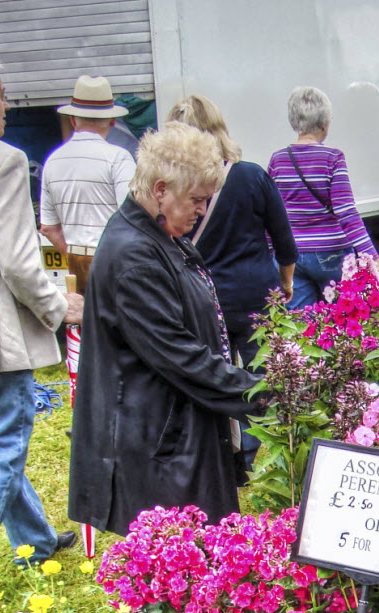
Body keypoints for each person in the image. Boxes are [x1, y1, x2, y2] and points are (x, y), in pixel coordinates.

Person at [68, 122, 262, 537]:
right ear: (160, 190)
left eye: (206, 200)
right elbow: (179, 355)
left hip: (169, 432)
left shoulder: (157, 234)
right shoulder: (135, 254)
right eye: (196, 200)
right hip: (155, 446)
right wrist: (262, 394)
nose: (202, 211)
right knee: (174, 571)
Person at [167, 94, 296, 470]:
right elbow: (285, 243)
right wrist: (284, 283)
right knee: (263, 376)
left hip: (200, 295)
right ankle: (263, 450)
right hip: (256, 292)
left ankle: (228, 451)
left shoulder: (176, 190)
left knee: (215, 374)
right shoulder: (252, 175)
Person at [0, 55, 83, 566]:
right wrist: (58, 306)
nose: (6, 105)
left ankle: (34, 541)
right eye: (1, 93)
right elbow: (20, 264)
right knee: (4, 447)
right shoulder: (1, 160)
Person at [39, 75, 136, 403]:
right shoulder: (119, 159)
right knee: (121, 335)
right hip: (116, 258)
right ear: (111, 118)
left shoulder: (53, 161)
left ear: (73, 118)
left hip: (76, 260)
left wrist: (73, 251)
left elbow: (49, 227)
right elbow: (131, 217)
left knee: (80, 331)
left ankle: (84, 407)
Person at [268, 86, 379, 310]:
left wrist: (271, 251)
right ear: (324, 123)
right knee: (343, 323)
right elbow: (346, 212)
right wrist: (372, 256)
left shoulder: (278, 160)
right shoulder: (332, 158)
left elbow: (272, 213)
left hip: (292, 255)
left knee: (303, 329)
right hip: (332, 253)